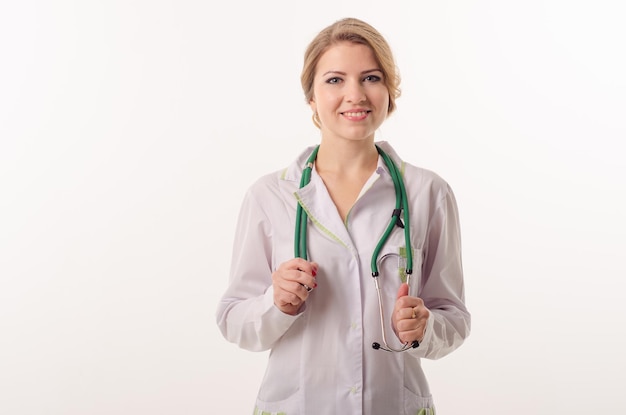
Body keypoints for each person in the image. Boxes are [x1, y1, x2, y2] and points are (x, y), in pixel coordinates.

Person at [216, 17, 470, 415]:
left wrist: (427, 328)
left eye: (370, 78)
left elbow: (453, 318)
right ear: (312, 98)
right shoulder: (270, 196)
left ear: (390, 92)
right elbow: (234, 320)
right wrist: (275, 303)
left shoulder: (427, 193)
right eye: (335, 80)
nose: (355, 94)